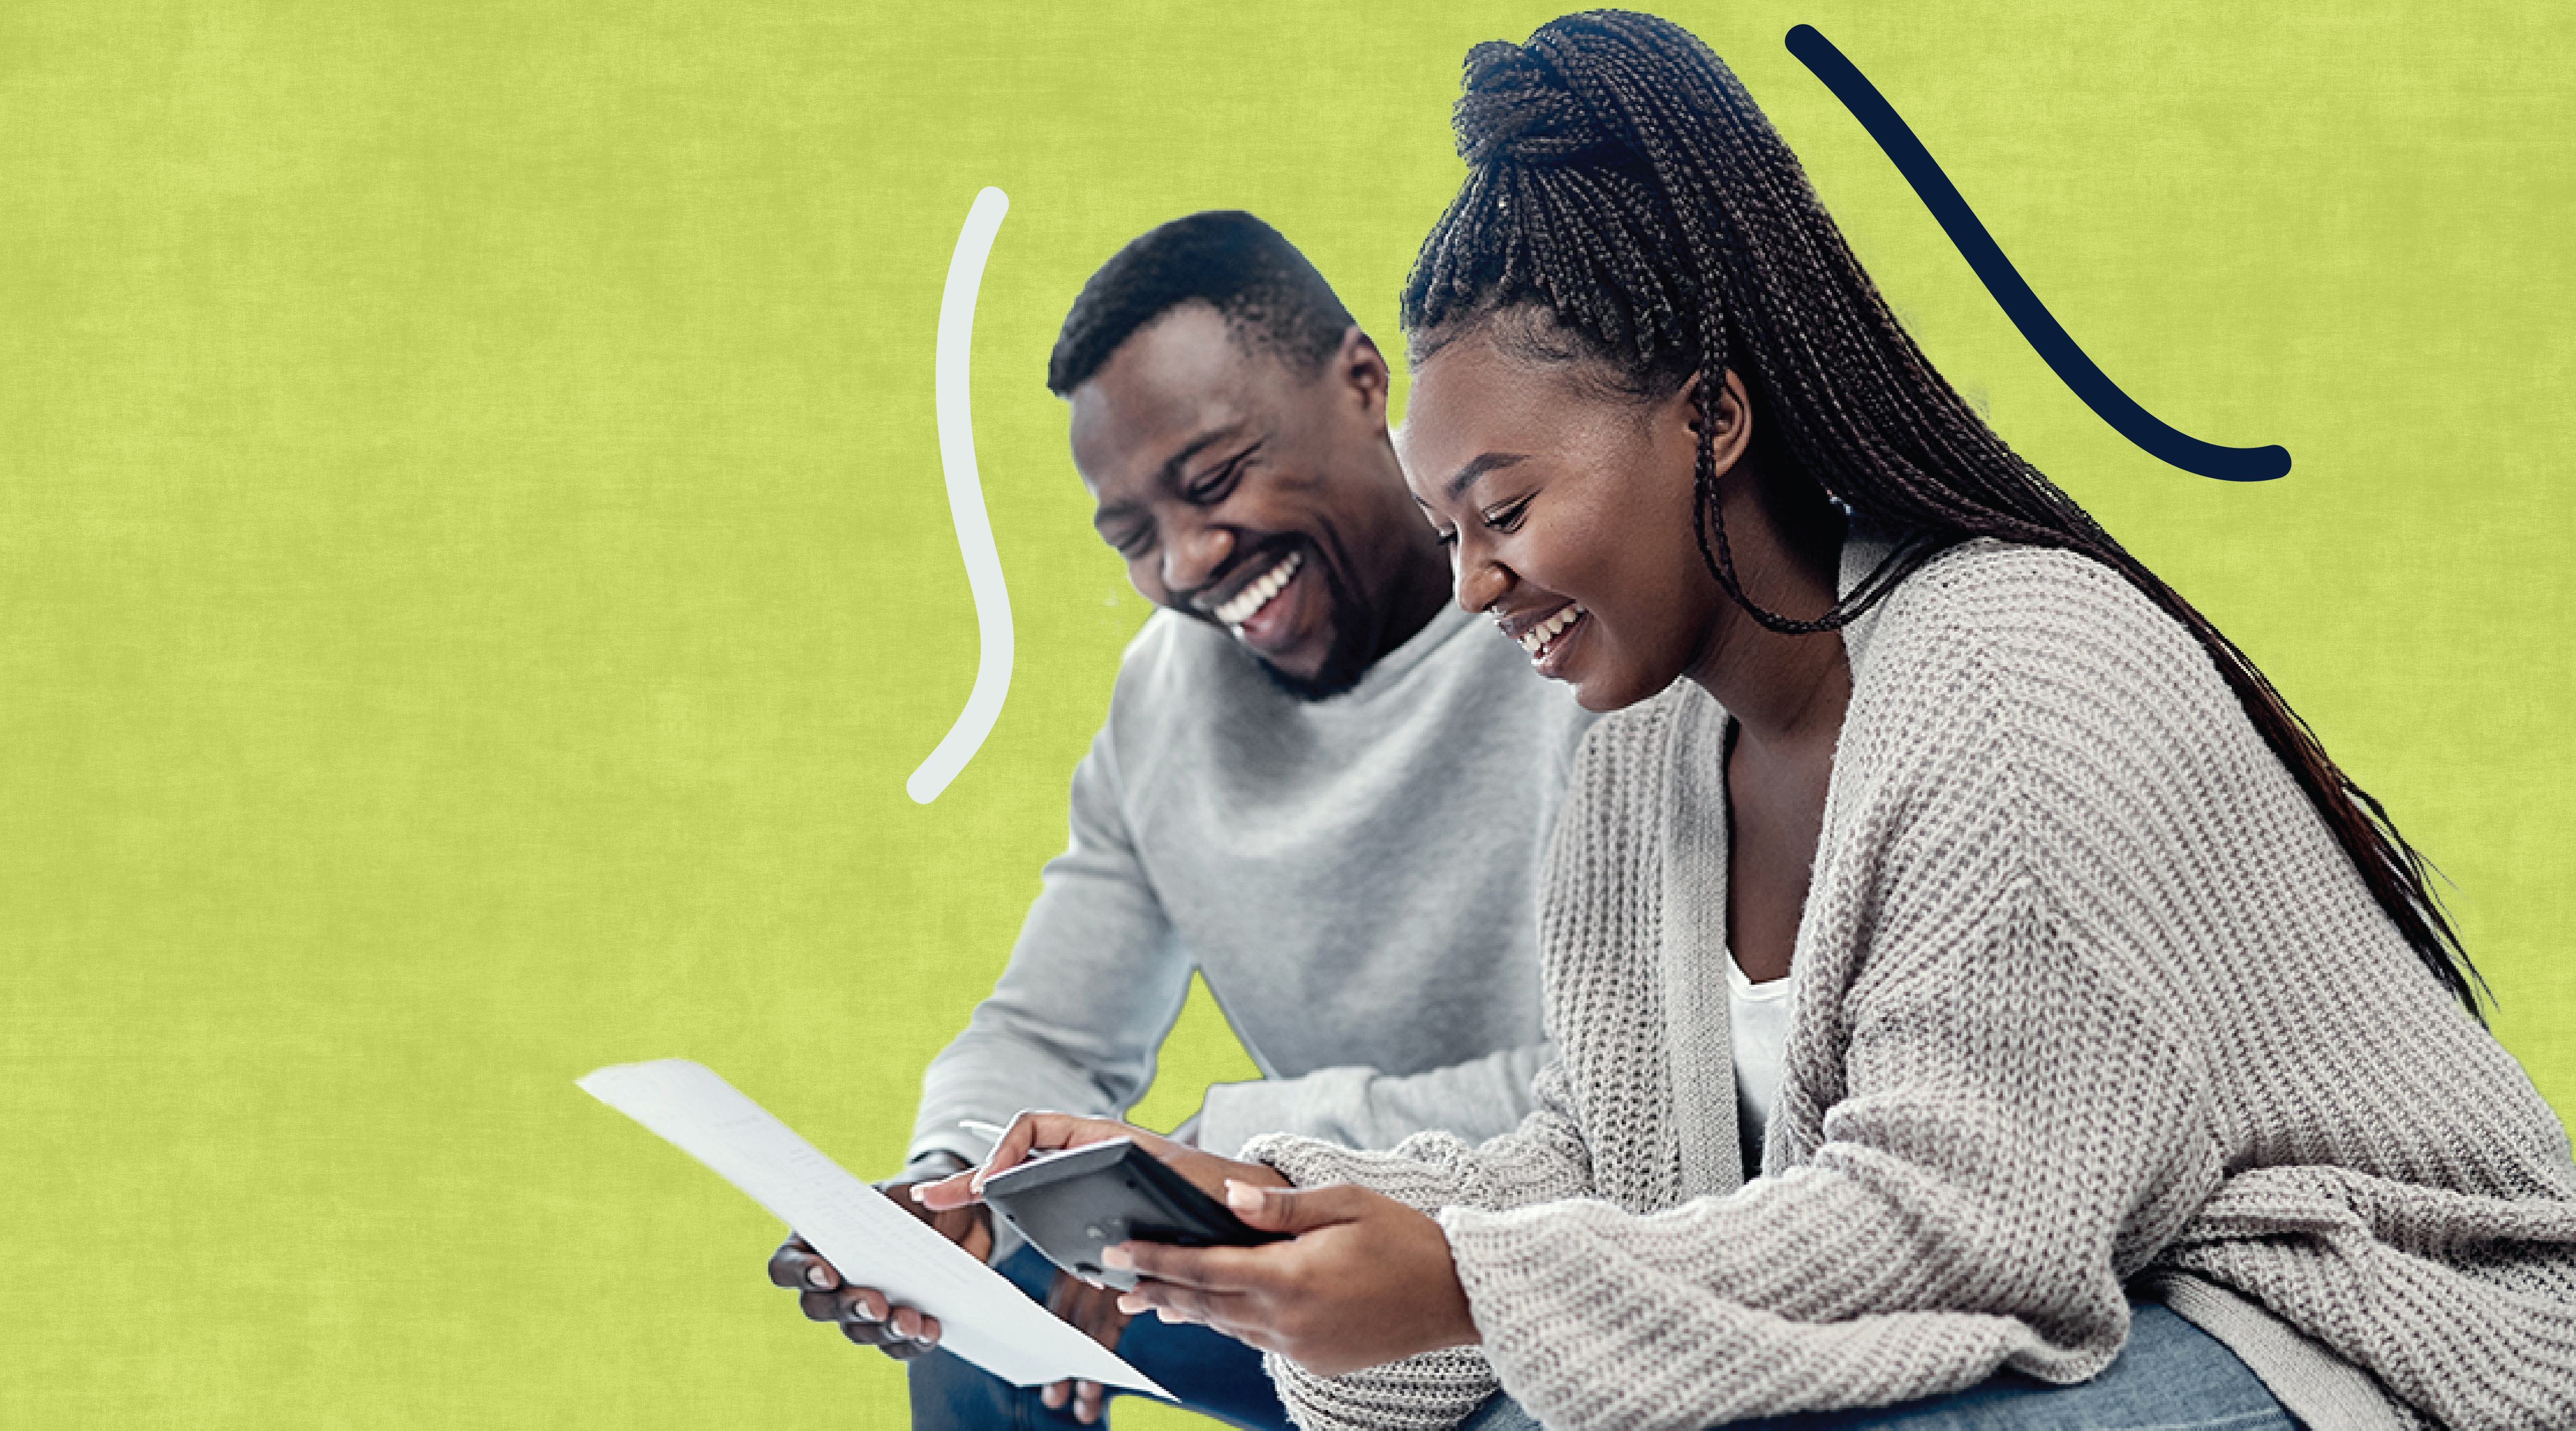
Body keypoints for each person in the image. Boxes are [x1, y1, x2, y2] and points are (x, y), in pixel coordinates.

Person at [921, 13, 2576, 1430]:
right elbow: (1609, 1160)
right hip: (2076, 1292)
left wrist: (1465, 1283)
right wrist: (1272, 1208)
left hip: (2329, 1314)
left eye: (1506, 507)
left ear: (1711, 413)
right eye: (1450, 533)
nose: (1480, 588)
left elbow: (1958, 1227)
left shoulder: (2013, 678)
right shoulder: (1644, 759)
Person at [767, 211, 1594, 1428]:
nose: (1191, 559)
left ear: (1365, 384)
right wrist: (957, 1189)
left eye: (1212, 480)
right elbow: (1048, 1027)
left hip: (1557, 1248)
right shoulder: (1165, 696)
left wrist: (1219, 1153)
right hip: (1297, 1230)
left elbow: (1634, 1095)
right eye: (1132, 537)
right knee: (984, 1322)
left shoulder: (1576, 606)